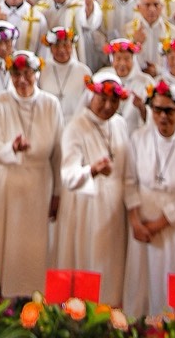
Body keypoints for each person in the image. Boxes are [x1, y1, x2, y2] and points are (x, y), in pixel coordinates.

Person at [0, 50, 60, 297]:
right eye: (16, 74)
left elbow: (58, 152)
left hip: (39, 184)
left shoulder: (51, 104)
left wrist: (58, 193)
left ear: (37, 74)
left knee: (31, 249)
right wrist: (13, 148)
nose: (22, 80)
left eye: (27, 73)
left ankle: (32, 298)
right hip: (3, 182)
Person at [122, 80, 175, 320]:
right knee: (139, 281)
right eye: (157, 110)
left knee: (169, 280)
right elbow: (129, 181)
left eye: (169, 110)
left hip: (172, 226)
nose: (163, 117)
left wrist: (159, 224)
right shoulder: (138, 139)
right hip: (140, 222)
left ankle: (167, 326)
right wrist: (135, 221)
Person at [52, 71, 133, 305]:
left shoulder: (120, 124)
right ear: (91, 97)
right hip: (86, 209)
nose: (108, 106)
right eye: (102, 99)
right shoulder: (76, 127)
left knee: (113, 268)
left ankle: (111, 313)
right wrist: (92, 171)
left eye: (114, 101)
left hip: (115, 209)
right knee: (90, 263)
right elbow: (68, 175)